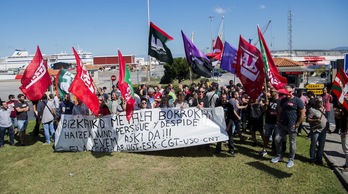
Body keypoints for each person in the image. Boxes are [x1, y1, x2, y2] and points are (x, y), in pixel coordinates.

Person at [271, 86, 305, 168]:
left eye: (289, 92)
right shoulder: (283, 100)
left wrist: (297, 124)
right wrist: (278, 121)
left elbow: (303, 114)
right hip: (282, 124)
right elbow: (280, 111)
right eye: (286, 93)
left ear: (292, 91)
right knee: (277, 139)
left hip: (292, 126)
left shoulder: (298, 101)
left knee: (292, 142)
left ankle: (291, 159)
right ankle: (279, 156)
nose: (288, 94)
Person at [306, 96, 327, 165]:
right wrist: (315, 120)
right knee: (314, 145)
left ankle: (319, 159)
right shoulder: (312, 110)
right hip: (316, 130)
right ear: (316, 102)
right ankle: (312, 159)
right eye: (319, 102)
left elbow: (325, 118)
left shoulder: (323, 109)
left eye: (322, 101)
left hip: (323, 131)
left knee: (321, 146)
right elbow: (307, 120)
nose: (321, 103)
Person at [339, 104, 348, 172]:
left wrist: (346, 131)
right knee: (344, 148)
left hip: (345, 131)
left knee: (346, 149)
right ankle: (346, 164)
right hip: (342, 129)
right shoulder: (344, 108)